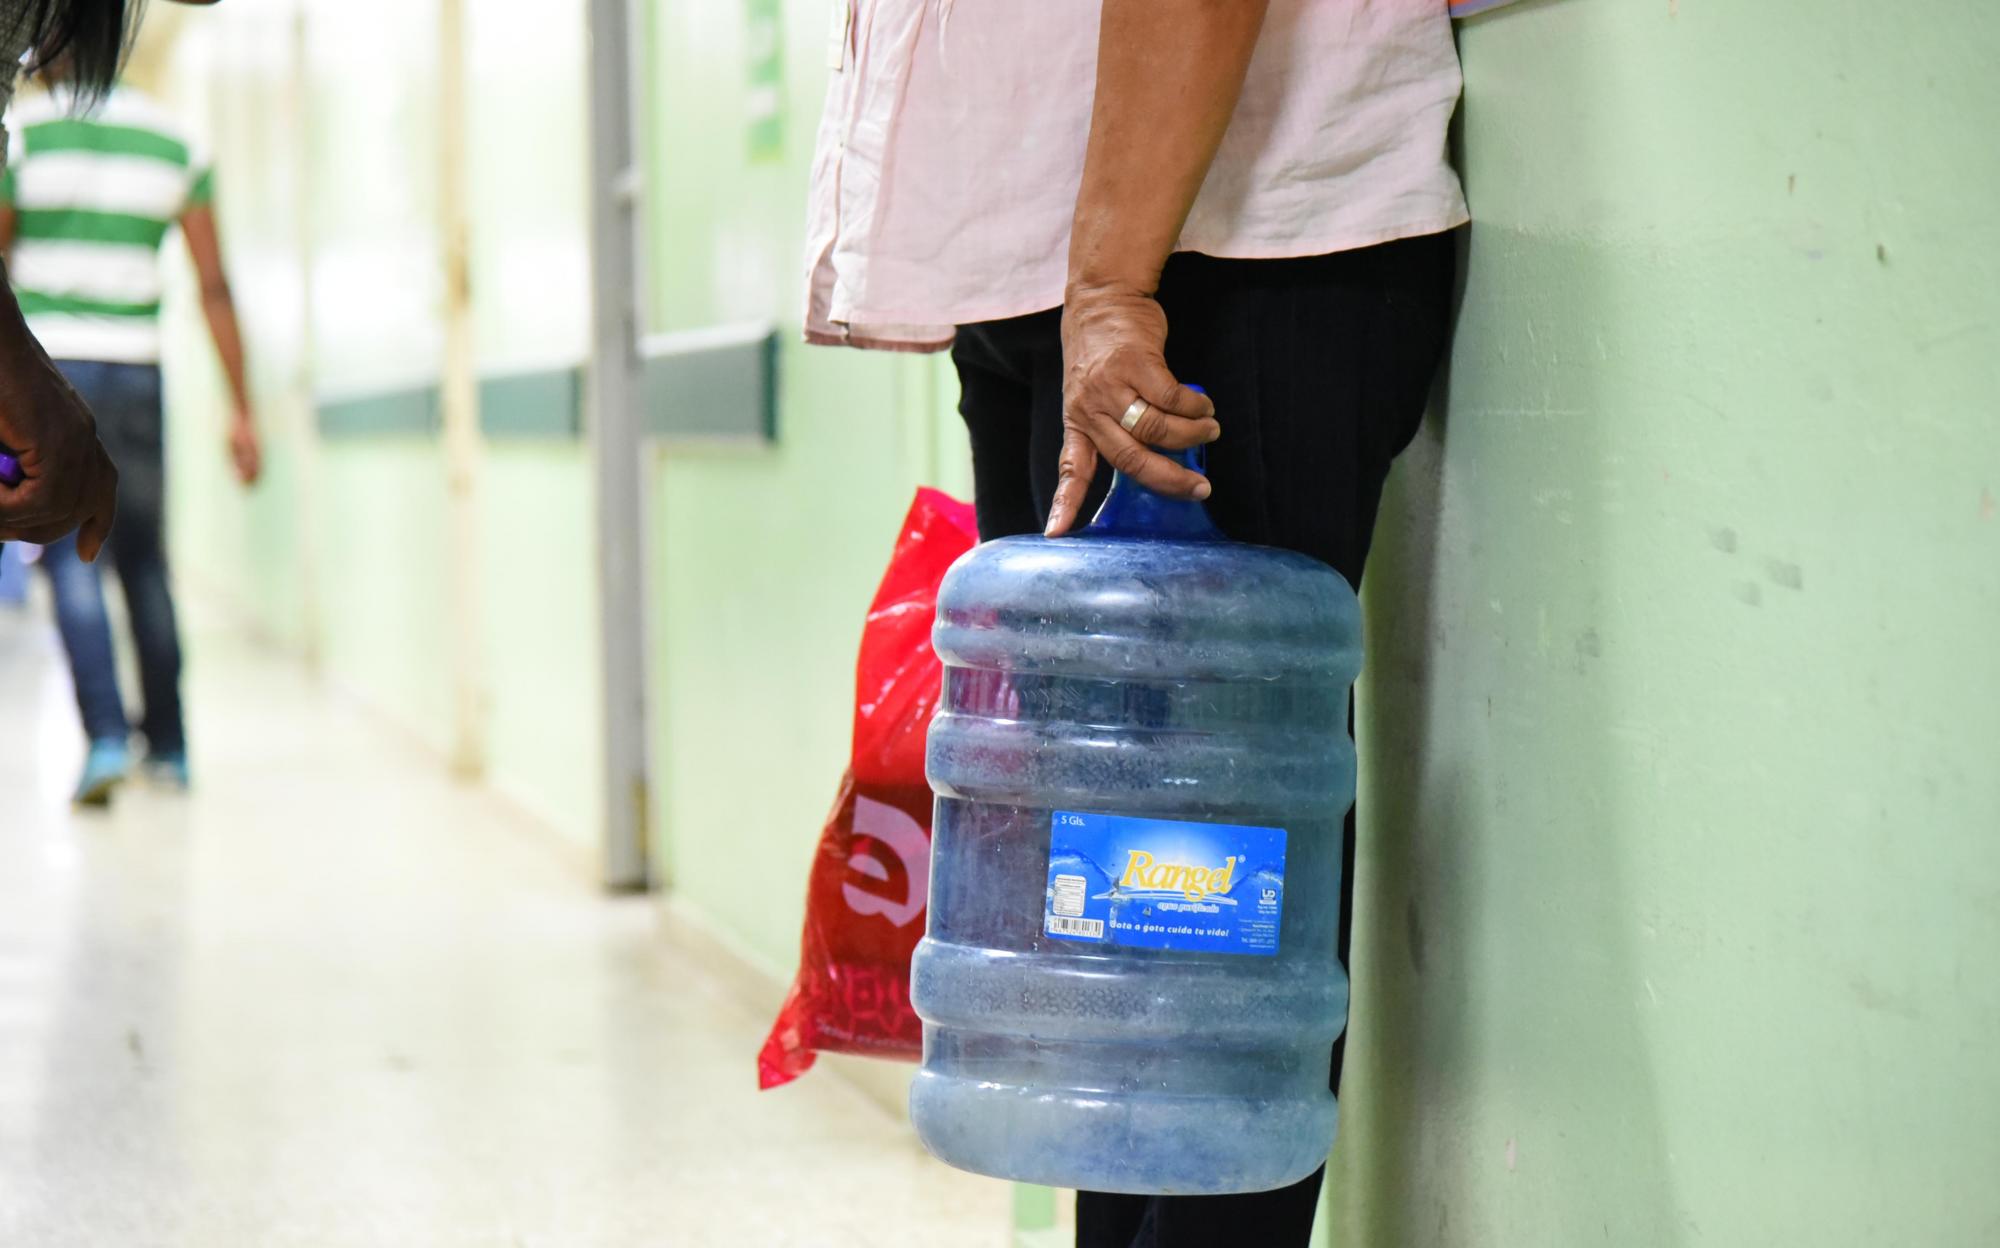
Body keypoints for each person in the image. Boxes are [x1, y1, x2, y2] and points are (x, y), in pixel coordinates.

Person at [805, 2, 1466, 1245]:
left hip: (1210, 251)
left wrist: (1111, 285)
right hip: (1051, 273)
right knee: (1105, 941)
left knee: (1205, 926)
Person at [0, 57, 256, 803]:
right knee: (146, 562)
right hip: (139, 373)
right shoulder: (174, 139)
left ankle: (108, 738)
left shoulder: (24, 136)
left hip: (42, 383)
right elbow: (214, 285)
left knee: (70, 560)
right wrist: (242, 407)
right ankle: (170, 749)